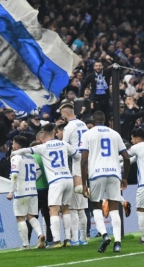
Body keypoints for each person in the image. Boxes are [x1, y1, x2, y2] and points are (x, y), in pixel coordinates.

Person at [12, 123, 81, 248]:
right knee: (65, 209)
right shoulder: (64, 144)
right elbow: (77, 156)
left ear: (42, 138)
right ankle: (68, 239)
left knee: (53, 210)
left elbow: (25, 150)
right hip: (68, 178)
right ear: (53, 134)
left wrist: (14, 154)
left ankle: (56, 240)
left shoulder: (43, 147)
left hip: (56, 181)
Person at [79, 111, 130, 253]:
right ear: (106, 120)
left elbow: (83, 160)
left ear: (93, 121)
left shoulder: (87, 134)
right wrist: (124, 177)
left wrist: (84, 183)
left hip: (97, 174)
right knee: (114, 208)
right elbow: (126, 158)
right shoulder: (115, 134)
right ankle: (118, 242)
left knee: (96, 206)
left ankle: (105, 235)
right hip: (114, 173)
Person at [57, 104, 89, 246]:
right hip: (87, 164)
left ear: (65, 113)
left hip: (76, 167)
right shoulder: (83, 124)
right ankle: (84, 238)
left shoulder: (69, 127)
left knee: (74, 207)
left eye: (61, 114)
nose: (61, 117)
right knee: (82, 206)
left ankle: (75, 238)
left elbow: (63, 147)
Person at [7, 135, 45, 250]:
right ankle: (40, 234)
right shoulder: (31, 157)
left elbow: (14, 175)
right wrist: (31, 182)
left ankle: (25, 245)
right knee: (31, 216)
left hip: (22, 192)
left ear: (17, 145)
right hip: (33, 191)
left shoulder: (16, 157)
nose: (12, 146)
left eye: (13, 143)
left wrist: (11, 192)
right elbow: (39, 172)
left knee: (20, 217)